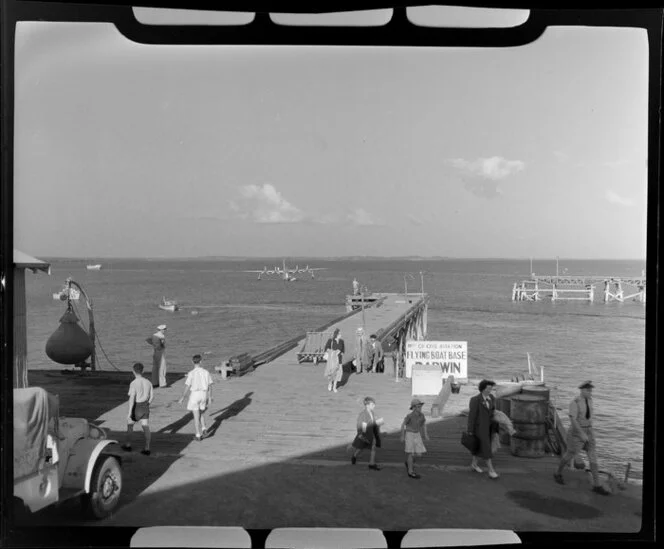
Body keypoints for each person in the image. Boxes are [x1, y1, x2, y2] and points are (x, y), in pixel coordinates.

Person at [553, 381, 611, 495]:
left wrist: (588, 432)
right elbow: (573, 420)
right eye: (588, 390)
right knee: (569, 454)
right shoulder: (574, 403)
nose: (591, 392)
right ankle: (557, 472)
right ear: (582, 390)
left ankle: (597, 485)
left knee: (593, 456)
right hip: (576, 432)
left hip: (589, 430)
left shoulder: (590, 400)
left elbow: (589, 417)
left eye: (591, 390)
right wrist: (581, 434)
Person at [467, 379, 500, 479]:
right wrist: (470, 430)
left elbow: (493, 412)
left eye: (491, 388)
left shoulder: (492, 398)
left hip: (490, 427)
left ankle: (474, 464)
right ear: (483, 389)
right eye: (488, 388)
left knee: (478, 447)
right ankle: (491, 470)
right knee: (486, 448)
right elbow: (471, 416)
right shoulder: (475, 400)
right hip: (479, 428)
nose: (490, 390)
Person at [178, 354, 214, 441]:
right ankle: (204, 428)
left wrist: (182, 397)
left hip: (195, 395)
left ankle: (198, 435)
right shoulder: (206, 372)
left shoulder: (191, 373)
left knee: (196, 416)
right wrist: (209, 397)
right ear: (201, 361)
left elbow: (187, 386)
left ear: (192, 362)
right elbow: (210, 386)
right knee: (201, 412)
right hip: (203, 394)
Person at [122, 362, 154, 455]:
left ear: (133, 371)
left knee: (130, 426)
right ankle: (147, 448)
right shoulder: (148, 382)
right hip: (145, 406)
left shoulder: (134, 383)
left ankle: (128, 445)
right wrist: (147, 404)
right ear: (142, 371)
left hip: (136, 406)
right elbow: (152, 396)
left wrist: (129, 412)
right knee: (145, 427)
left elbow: (132, 398)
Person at [350, 396, 384, 470]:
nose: (374, 406)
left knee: (372, 448)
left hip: (370, 435)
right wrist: (363, 436)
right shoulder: (363, 415)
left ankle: (371, 463)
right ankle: (354, 456)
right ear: (367, 405)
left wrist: (378, 422)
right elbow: (361, 426)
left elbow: (372, 421)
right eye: (372, 404)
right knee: (361, 448)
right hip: (364, 435)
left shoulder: (371, 412)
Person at [401, 398, 430, 479]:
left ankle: (408, 462)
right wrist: (402, 435)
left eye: (420, 406)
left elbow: (424, 424)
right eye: (418, 406)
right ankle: (410, 472)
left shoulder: (422, 415)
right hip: (409, 434)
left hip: (417, 434)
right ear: (413, 408)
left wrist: (426, 434)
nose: (420, 408)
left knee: (419, 454)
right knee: (410, 453)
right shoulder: (409, 416)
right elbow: (403, 425)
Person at [324, 328, 345, 392]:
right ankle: (330, 383)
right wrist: (334, 352)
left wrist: (341, 352)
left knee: (338, 374)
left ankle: (334, 386)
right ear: (336, 334)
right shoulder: (331, 341)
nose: (341, 334)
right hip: (332, 360)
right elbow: (326, 348)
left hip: (339, 360)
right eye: (339, 333)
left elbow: (343, 350)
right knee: (331, 373)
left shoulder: (342, 341)